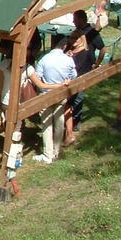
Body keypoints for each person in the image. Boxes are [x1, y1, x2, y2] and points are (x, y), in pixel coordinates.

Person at [33, 36, 76, 164]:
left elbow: (38, 77)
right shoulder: (68, 60)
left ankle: (48, 154)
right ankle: (56, 150)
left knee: (47, 124)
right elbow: (74, 75)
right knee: (59, 122)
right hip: (61, 94)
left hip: (46, 94)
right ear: (64, 47)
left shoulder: (44, 59)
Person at [68, 9, 106, 133]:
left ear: (81, 19)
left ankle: (76, 121)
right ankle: (69, 119)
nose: (73, 21)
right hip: (73, 68)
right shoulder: (76, 32)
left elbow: (102, 49)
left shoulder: (93, 33)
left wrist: (97, 64)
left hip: (85, 69)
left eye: (75, 19)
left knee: (78, 96)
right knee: (70, 95)